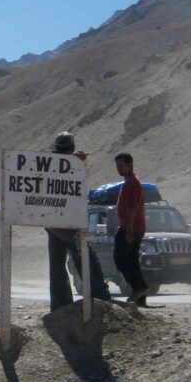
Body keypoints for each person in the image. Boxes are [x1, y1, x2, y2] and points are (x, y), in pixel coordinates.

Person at [45, 131, 112, 311]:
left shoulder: (46, 164)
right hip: (66, 219)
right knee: (85, 253)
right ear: (72, 148)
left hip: (49, 220)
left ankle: (60, 304)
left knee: (57, 262)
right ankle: (100, 295)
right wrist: (77, 163)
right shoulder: (69, 164)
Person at [113, 152, 149, 305]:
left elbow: (132, 208)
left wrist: (128, 230)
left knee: (120, 260)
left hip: (130, 228)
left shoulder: (132, 183)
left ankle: (139, 287)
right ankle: (141, 298)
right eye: (117, 166)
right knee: (132, 261)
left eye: (121, 166)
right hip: (135, 227)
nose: (119, 169)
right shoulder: (129, 182)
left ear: (130, 165)